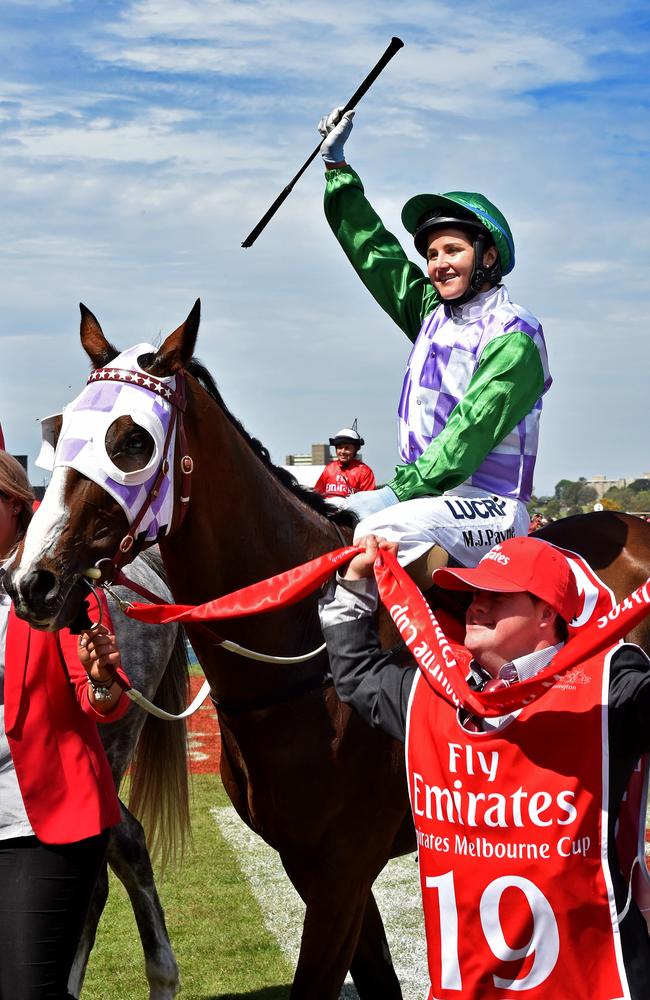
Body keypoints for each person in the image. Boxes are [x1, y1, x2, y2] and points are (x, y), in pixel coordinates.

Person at [318, 534, 650, 998]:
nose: (477, 606)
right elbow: (355, 675)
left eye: (498, 595)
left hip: (592, 980)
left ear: (547, 612)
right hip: (468, 984)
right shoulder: (432, 690)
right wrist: (355, 585)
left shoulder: (607, 687)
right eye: (475, 594)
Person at [317, 108, 551, 575]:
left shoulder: (516, 335)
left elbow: (470, 430)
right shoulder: (431, 313)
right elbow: (376, 254)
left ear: (488, 255)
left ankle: (368, 652)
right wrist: (338, 171)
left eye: (453, 250)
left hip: (492, 508)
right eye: (431, 254)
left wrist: (398, 491)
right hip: (429, 499)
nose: (438, 264)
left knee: (373, 534)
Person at [0, 450, 130, 999]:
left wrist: (102, 677)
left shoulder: (55, 584)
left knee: (30, 990)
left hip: (43, 827)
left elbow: (103, 701)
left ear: (12, 504)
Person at [313, 422, 376, 502]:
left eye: (347, 448)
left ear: (356, 449)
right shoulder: (329, 468)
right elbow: (316, 495)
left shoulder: (365, 472)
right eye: (339, 447)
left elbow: (369, 501)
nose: (342, 451)